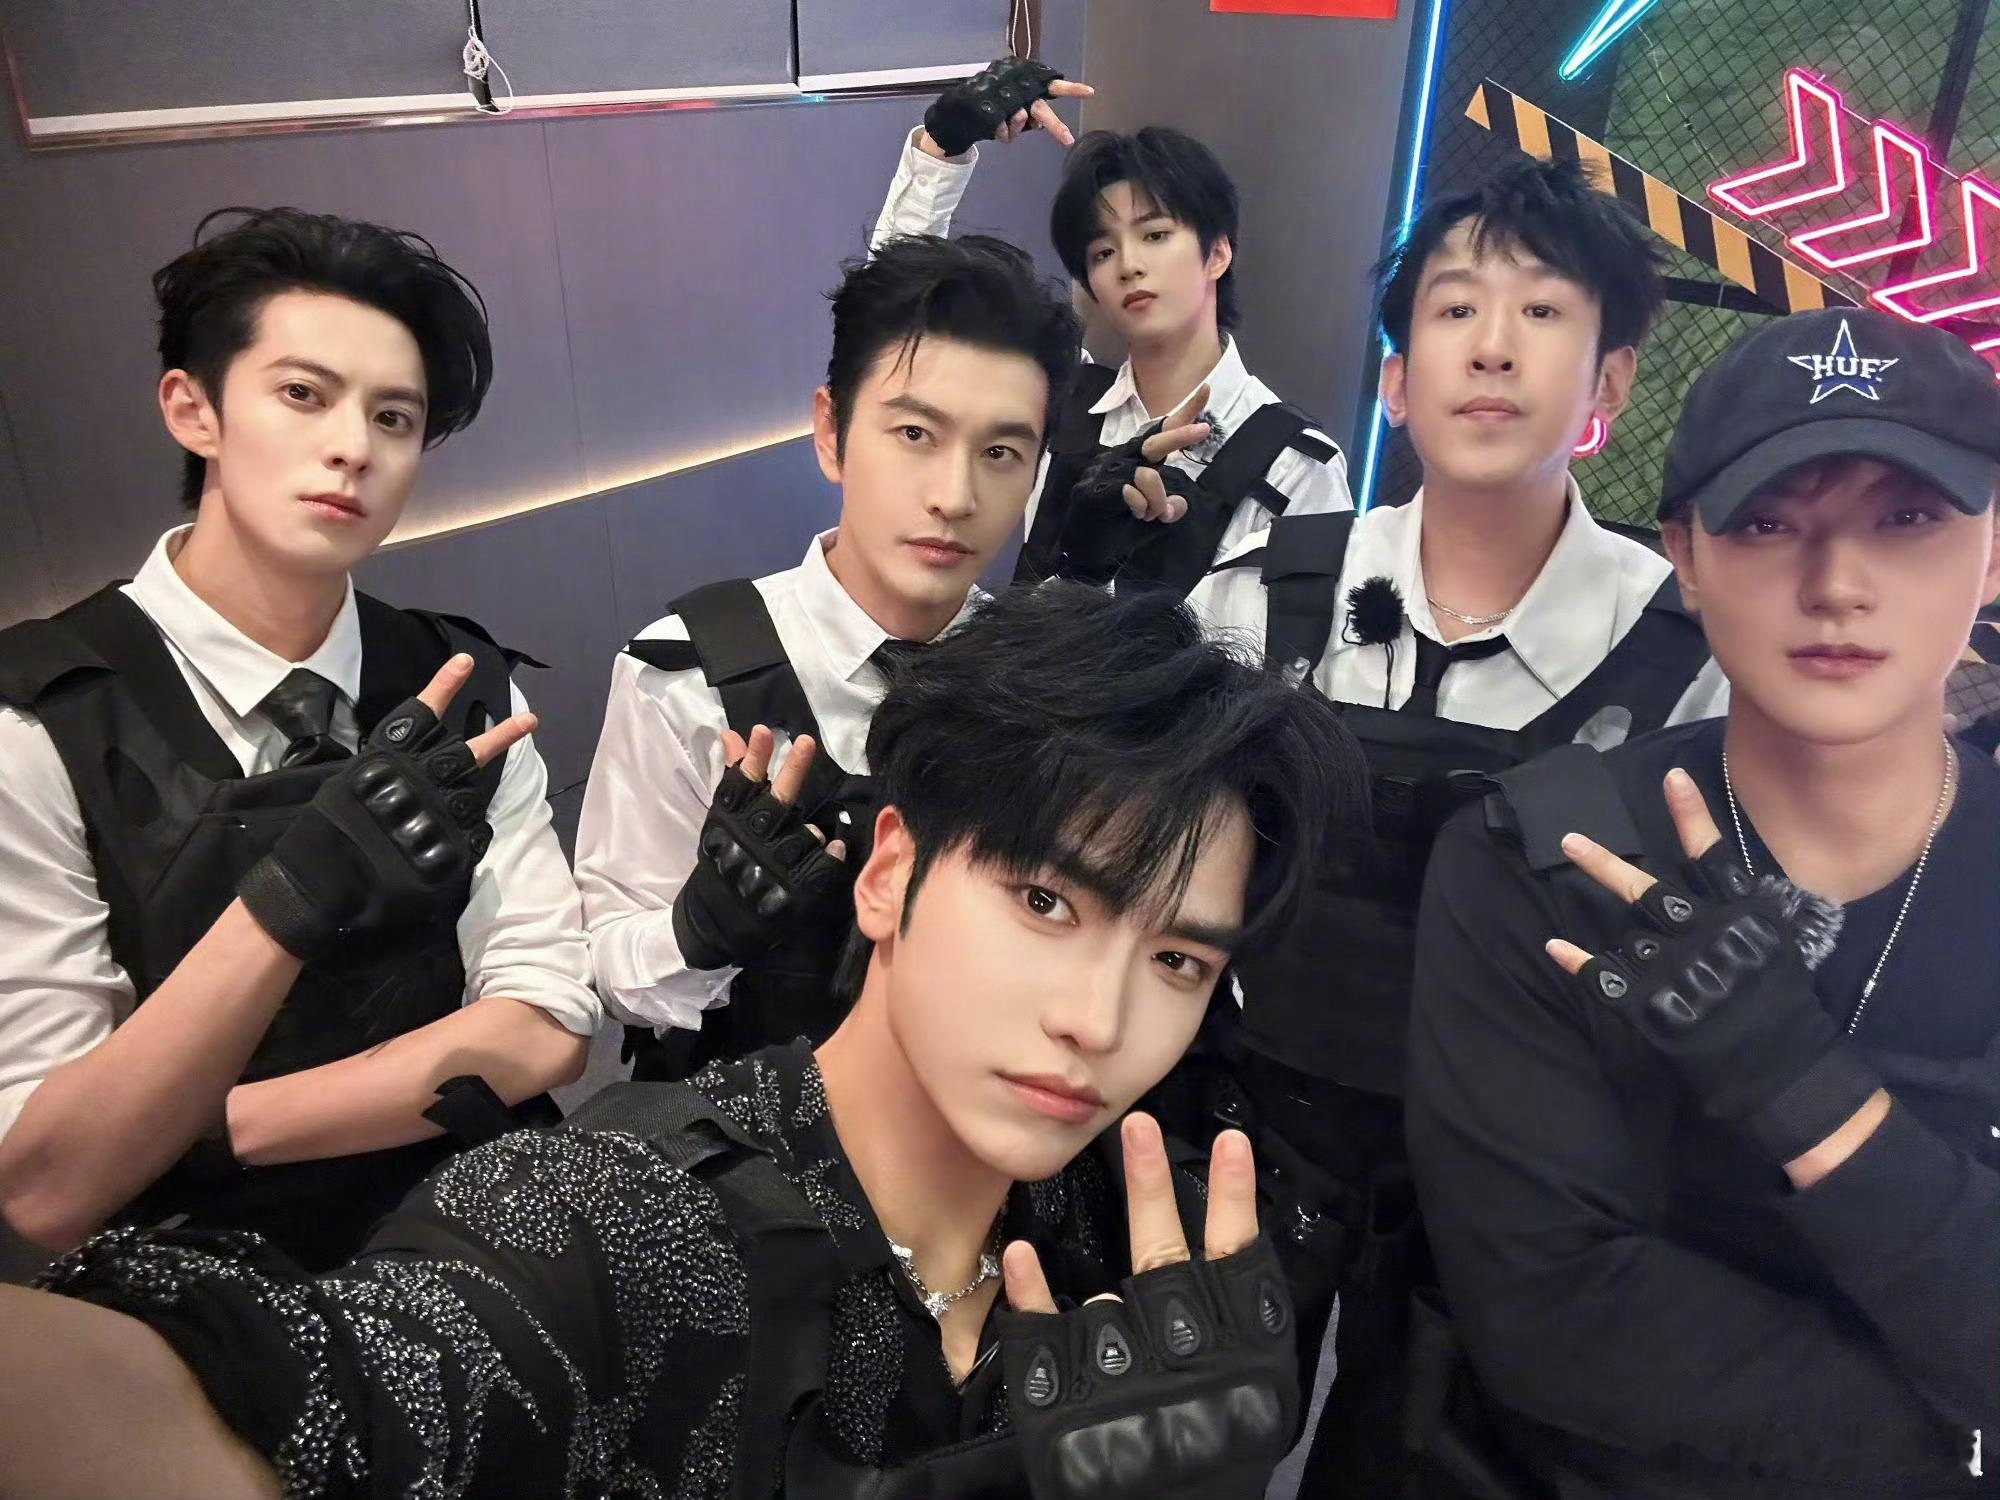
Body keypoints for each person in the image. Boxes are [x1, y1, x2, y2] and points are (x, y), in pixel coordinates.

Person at [0, 581, 1369, 1500]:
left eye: (1177, 960)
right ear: (890, 872)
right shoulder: (620, 1230)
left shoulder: (1121, 1246)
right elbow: (260, 1404)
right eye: (1045, 903)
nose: (1099, 1021)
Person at [1178, 157, 1727, 1495]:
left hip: (1514, 1185)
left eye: (1542, 313)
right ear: (1393, 379)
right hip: (1255, 1127)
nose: (1491, 348)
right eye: (1454, 309)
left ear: (1608, 384)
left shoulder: (1688, 662)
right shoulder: (1253, 605)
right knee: (1179, 1453)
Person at [1408, 308, 2000, 1498]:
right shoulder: (1541, 856)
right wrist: (1949, 1444)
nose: (1836, 586)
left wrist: (1790, 1079)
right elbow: (1549, 1304)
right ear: (1682, 554)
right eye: (1769, 522)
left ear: (1992, 554)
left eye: (1906, 520)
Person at [0, 209, 598, 1273]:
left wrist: (198, 1127)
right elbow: (51, 1185)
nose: (352, 448)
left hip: (470, 1240)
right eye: (303, 395)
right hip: (183, 1291)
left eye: (394, 417)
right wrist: (295, 894)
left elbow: (546, 1022)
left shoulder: (455, 678)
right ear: (194, 410)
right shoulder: (41, 721)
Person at [576, 233, 1083, 1078]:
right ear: (830, 432)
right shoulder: (687, 680)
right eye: (915, 433)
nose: (955, 496)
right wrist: (701, 928)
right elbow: (609, 973)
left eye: (1000, 453)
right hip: (745, 1123)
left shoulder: (1046, 680)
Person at [873, 61, 1352, 600]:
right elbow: (898, 320)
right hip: (1020, 651)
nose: (1128, 265)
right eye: (1102, 251)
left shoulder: (1297, 463)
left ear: (1218, 252)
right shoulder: (1060, 399)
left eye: (1155, 235)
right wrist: (942, 147)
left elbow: (1300, 639)